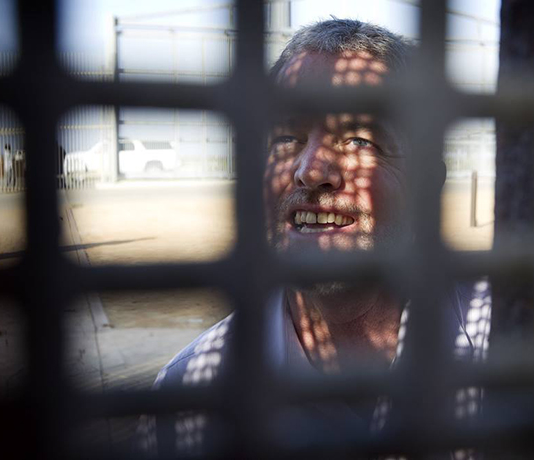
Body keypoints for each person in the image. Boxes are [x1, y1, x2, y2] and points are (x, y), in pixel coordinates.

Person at [137, 19, 491, 457]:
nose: (311, 170)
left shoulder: (509, 342)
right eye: (286, 138)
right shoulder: (191, 394)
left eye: (360, 140)